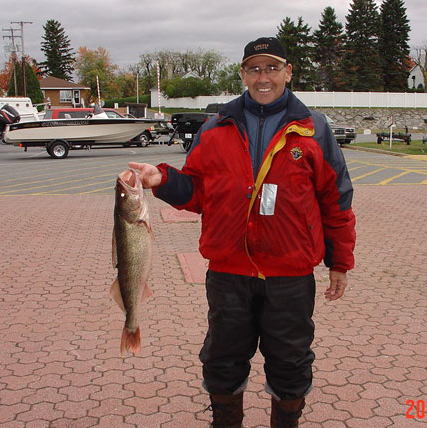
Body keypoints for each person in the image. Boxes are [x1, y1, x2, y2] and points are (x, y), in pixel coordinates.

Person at [129, 37, 356, 428]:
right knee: (222, 359)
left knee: (290, 361)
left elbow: (336, 201)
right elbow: (199, 191)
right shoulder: (217, 127)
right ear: (242, 74)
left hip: (290, 274)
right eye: (254, 68)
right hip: (229, 273)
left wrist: (340, 262)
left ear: (288, 72)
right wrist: (160, 179)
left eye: (271, 68)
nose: (262, 77)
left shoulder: (313, 129)